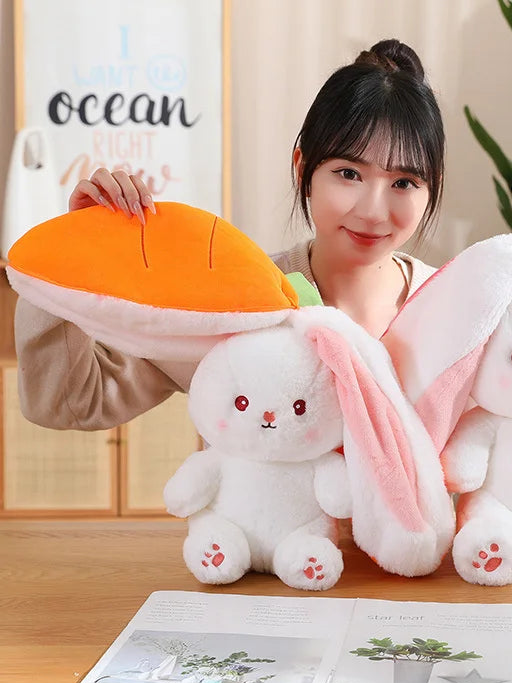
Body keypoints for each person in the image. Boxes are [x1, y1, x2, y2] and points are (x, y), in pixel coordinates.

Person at [14, 39, 446, 431]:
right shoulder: (231, 299)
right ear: (303, 169)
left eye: (404, 182)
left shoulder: (454, 308)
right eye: (348, 173)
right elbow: (68, 403)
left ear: (433, 186)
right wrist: (73, 253)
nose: (373, 211)